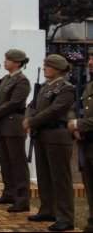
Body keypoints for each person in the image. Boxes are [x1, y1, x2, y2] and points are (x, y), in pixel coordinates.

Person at [23, 54, 75, 231]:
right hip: (42, 135)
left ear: (58, 69)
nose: (44, 68)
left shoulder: (66, 89)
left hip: (58, 137)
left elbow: (54, 110)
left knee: (60, 179)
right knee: (44, 175)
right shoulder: (44, 87)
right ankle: (47, 209)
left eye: (47, 65)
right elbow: (31, 105)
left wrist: (32, 121)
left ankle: (65, 217)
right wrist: (29, 118)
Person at [0, 49, 31, 212]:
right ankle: (9, 192)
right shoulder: (5, 79)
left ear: (17, 63)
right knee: (5, 161)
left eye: (8, 60)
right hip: (3, 124)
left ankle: (22, 198)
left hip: (13, 124)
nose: (5, 62)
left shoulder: (22, 81)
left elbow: (14, 102)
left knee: (17, 163)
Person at [68, 47, 93, 232]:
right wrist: (72, 123)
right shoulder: (89, 85)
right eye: (90, 59)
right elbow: (75, 107)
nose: (90, 63)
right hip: (87, 143)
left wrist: (78, 124)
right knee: (89, 186)